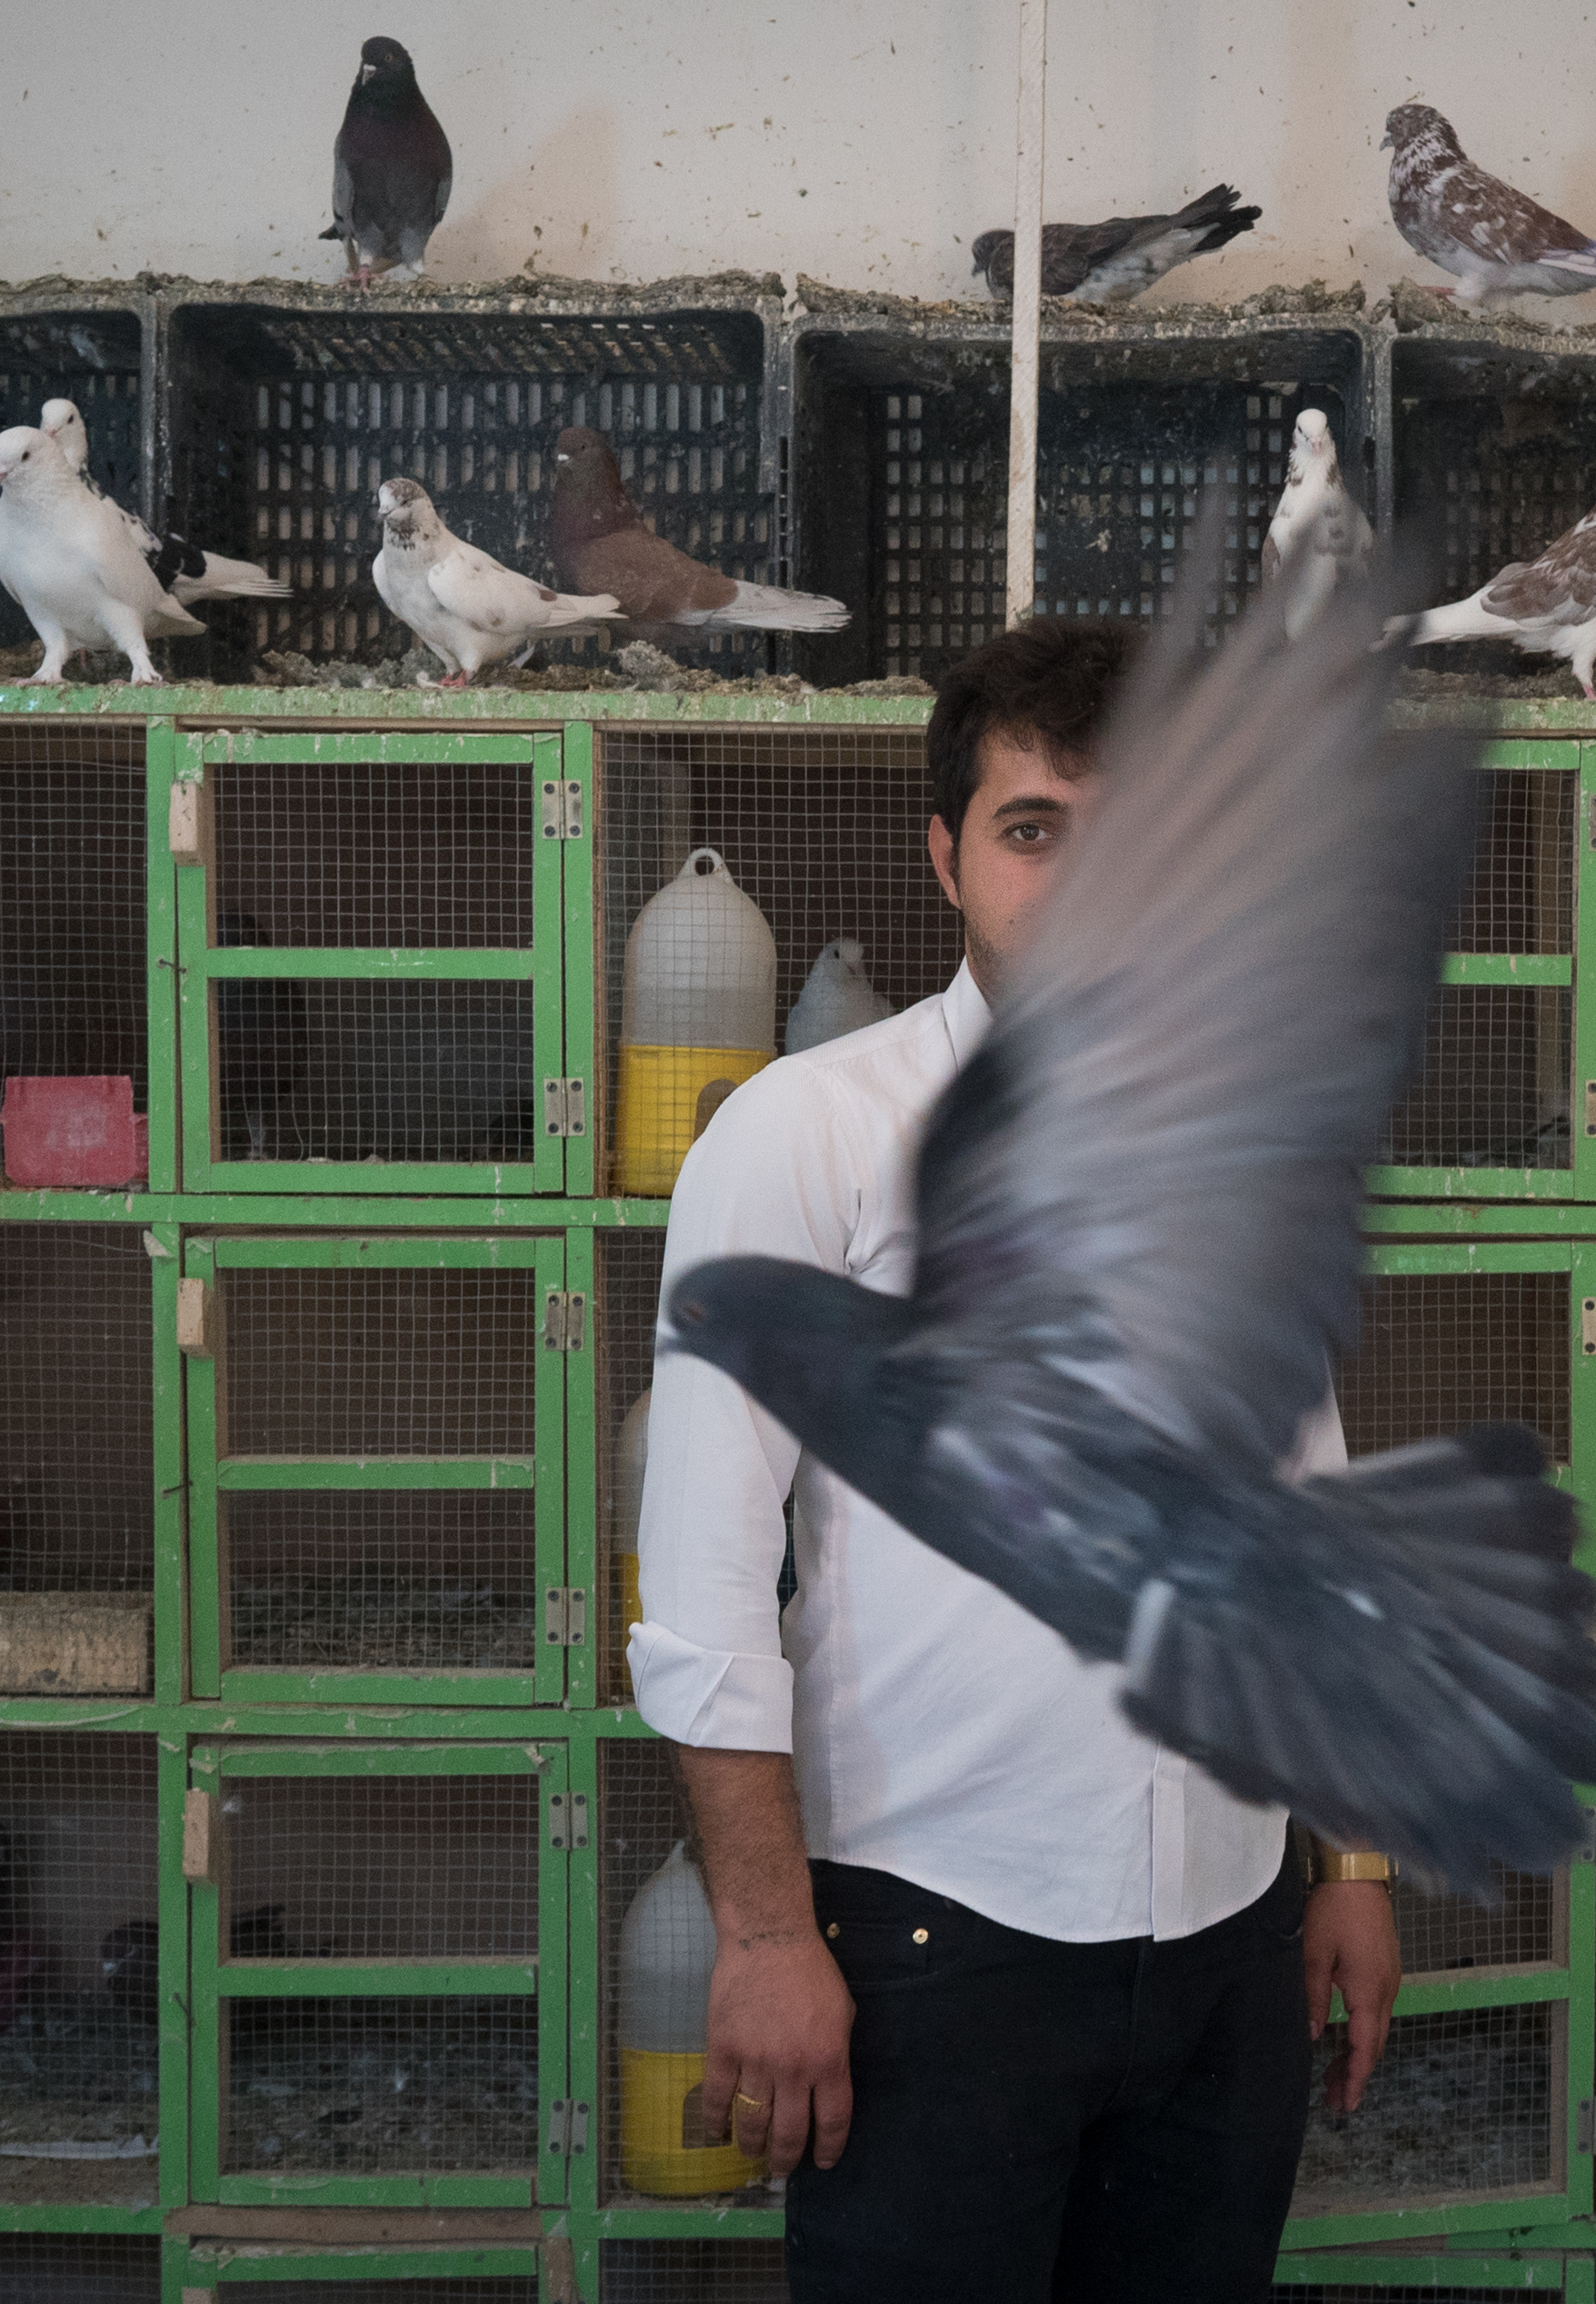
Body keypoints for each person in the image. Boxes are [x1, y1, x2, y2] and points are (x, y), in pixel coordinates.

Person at [628, 617, 1405, 2304]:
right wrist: (766, 1935)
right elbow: (700, 1586)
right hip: (933, 1946)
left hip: (1228, 1944)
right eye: (1036, 828)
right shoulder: (808, 1134)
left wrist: (1347, 1865)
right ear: (950, 859)